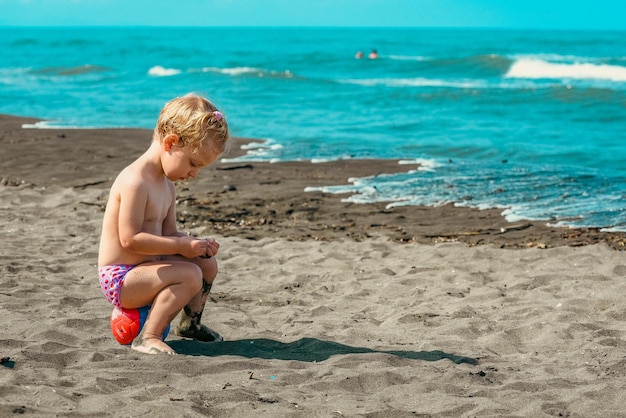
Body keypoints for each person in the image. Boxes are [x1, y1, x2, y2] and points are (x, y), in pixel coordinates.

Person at [97, 93, 229, 355]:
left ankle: (191, 324)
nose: (195, 173)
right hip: (121, 278)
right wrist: (181, 244)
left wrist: (194, 244)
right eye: (193, 163)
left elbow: (168, 234)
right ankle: (150, 337)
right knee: (189, 275)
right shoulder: (135, 182)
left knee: (205, 264)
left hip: (147, 266)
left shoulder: (167, 185)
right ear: (171, 142)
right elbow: (130, 239)